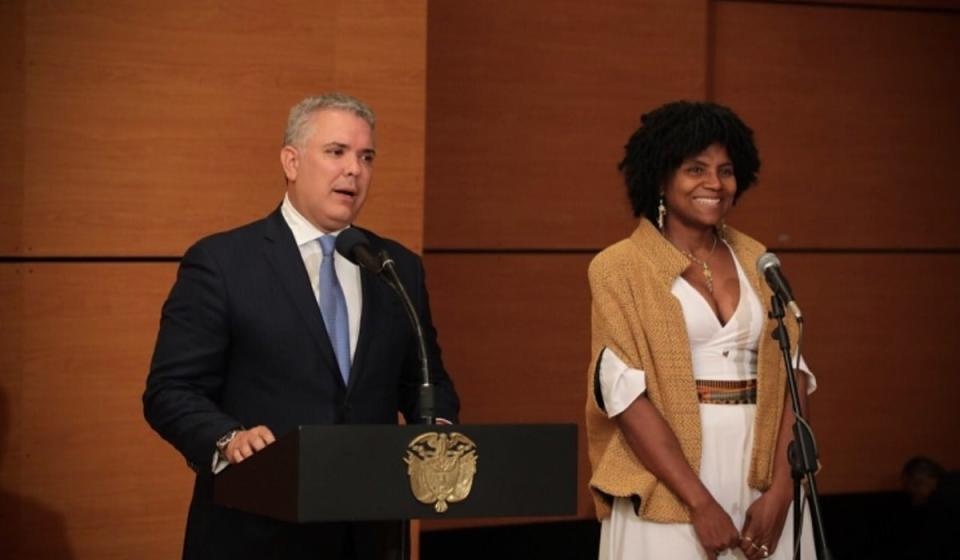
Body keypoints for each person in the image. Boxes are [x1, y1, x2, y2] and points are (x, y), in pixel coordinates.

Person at [143, 93, 460, 560]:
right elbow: (170, 390)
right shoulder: (224, 263)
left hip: (370, 535)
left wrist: (438, 428)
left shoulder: (396, 267)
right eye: (337, 152)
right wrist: (228, 437)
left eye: (366, 157)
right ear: (291, 162)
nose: (354, 169)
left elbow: (425, 382)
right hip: (257, 533)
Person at [585, 101, 816, 560]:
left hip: (764, 467)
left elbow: (793, 377)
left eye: (726, 171)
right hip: (670, 477)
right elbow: (624, 396)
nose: (715, 184)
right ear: (660, 177)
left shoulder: (758, 259)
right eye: (696, 169)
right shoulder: (619, 268)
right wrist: (700, 503)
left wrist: (783, 492)